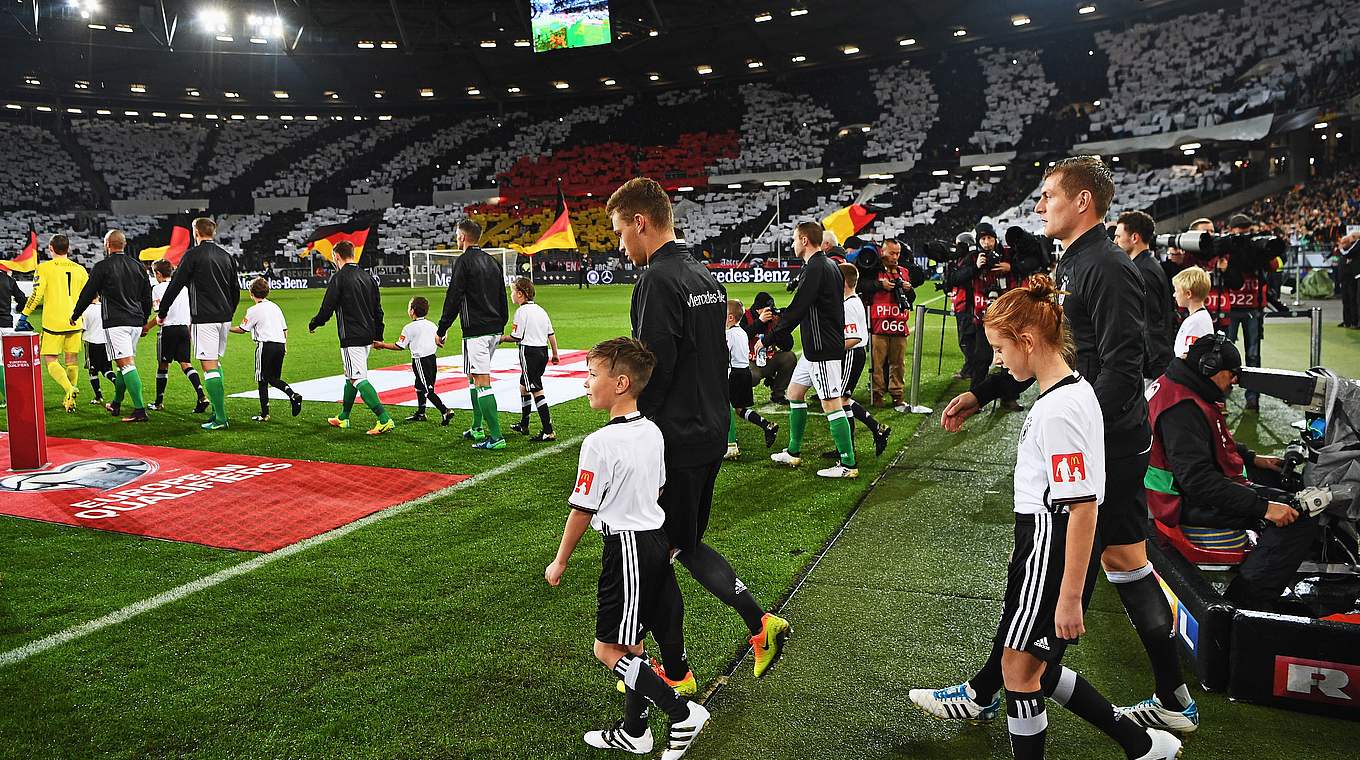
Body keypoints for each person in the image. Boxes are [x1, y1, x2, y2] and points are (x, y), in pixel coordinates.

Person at [918, 157, 1198, 734]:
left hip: (1104, 444)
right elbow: (1057, 355)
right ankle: (1172, 698)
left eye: (1048, 196)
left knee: (1045, 579)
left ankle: (994, 686)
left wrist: (1076, 424)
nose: (1040, 205)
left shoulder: (1108, 267)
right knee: (1126, 563)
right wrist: (986, 390)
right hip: (1104, 437)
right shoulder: (1076, 262)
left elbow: (1129, 364)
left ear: (1083, 204)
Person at [945, 277, 1183, 760]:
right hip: (1041, 544)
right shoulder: (1071, 392)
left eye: (999, 348)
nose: (997, 360)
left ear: (1028, 342)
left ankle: (1137, 745)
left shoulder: (1060, 410)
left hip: (1047, 547)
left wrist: (1071, 597)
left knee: (1019, 672)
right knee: (1035, 664)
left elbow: (1082, 507)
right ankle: (1137, 743)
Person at [609, 176, 790, 680]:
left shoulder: (657, 280)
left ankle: (675, 672)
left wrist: (631, 428)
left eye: (622, 232)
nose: (622, 246)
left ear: (641, 223)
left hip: (673, 439)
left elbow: (654, 368)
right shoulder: (706, 276)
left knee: (652, 555)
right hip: (709, 430)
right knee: (682, 544)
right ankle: (759, 625)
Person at [545, 337, 710, 759]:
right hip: (656, 542)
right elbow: (656, 488)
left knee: (608, 648)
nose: (585, 383)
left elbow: (583, 509)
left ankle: (680, 713)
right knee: (633, 643)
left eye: (592, 375)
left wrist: (560, 559)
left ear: (620, 383)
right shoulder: (652, 431)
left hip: (627, 549)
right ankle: (635, 731)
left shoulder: (599, 444)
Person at [1145, 336, 1319, 612]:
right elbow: (1199, 482)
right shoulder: (1183, 409)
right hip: (1181, 502)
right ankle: (1247, 603)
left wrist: (1253, 459)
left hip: (1179, 492)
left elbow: (1207, 441)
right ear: (1209, 367)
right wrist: (1265, 508)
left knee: (1281, 488)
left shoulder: (1179, 387)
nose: (1235, 381)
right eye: (1232, 374)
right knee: (1299, 515)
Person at [759, 222, 857, 479]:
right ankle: (793, 451)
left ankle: (847, 464)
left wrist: (768, 339)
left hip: (822, 348)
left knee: (830, 403)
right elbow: (810, 306)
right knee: (794, 392)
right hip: (816, 348)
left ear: (804, 240)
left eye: (794, 239)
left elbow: (800, 307)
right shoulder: (827, 266)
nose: (792, 244)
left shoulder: (815, 268)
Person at [155, 218, 241, 430]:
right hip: (224, 317)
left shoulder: (192, 255)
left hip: (205, 318)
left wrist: (162, 312)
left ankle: (220, 418)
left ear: (196, 233)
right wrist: (229, 312)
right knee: (215, 364)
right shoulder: (226, 256)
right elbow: (236, 290)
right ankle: (216, 412)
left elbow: (174, 286)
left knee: (208, 366)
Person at [435, 219, 509, 450]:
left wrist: (442, 328)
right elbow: (502, 296)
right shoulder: (492, 262)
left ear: (463, 237)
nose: (456, 239)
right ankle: (477, 427)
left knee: (482, 382)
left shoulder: (464, 262)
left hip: (476, 332)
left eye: (457, 235)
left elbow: (454, 297)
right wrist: (500, 324)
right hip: (493, 329)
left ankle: (496, 437)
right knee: (473, 379)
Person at [308, 240, 394, 435]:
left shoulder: (339, 278)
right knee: (350, 376)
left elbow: (327, 309)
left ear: (336, 256)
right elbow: (378, 311)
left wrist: (314, 323)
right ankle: (344, 417)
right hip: (367, 336)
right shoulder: (368, 278)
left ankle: (384, 418)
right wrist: (378, 335)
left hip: (351, 337)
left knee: (357, 377)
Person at [70, 230, 153, 423]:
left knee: (126, 365)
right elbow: (146, 296)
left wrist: (75, 314)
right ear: (123, 244)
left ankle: (140, 410)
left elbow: (87, 293)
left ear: (108, 244)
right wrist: (144, 320)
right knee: (122, 364)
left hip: (117, 323)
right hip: (135, 322)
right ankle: (116, 403)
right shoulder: (138, 266)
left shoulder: (102, 266)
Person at [20, 234, 88, 412]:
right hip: (75, 321)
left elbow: (36, 294)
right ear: (68, 249)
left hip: (54, 322)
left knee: (51, 359)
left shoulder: (44, 268)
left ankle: (69, 389)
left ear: (50, 248)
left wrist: (24, 315)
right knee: (71, 359)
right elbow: (87, 296)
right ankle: (70, 401)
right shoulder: (80, 269)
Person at [832, 263, 891, 458]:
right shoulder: (852, 301)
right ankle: (854, 442)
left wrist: (831, 350)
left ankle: (854, 443)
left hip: (851, 354)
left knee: (839, 400)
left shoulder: (849, 305)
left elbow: (854, 337)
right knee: (844, 399)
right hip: (853, 354)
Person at [1217, 213, 1273, 411]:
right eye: (1239, 233)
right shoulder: (1225, 248)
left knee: (1253, 355)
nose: (1243, 238)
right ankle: (1222, 394)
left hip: (1252, 306)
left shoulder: (1259, 247)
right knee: (1225, 354)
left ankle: (1252, 397)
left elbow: (1274, 266)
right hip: (1230, 307)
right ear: (1232, 231)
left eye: (1247, 233)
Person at [966, 223, 1025, 412]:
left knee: (1010, 359)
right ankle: (975, 398)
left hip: (1006, 316)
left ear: (995, 238)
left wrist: (1011, 267)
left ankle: (1009, 398)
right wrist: (974, 268)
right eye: (982, 239)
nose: (986, 242)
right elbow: (955, 278)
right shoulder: (972, 257)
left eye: (989, 238)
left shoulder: (1007, 253)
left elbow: (1029, 264)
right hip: (983, 317)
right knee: (981, 358)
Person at [230, 277, 302, 423]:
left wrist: (225, 329)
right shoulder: (275, 307)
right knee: (273, 378)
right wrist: (285, 345)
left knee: (262, 379)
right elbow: (284, 329)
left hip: (265, 346)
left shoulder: (253, 310)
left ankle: (265, 414)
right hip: (280, 344)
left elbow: (242, 329)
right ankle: (293, 395)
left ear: (251, 293)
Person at [374, 296, 454, 426]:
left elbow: (400, 346)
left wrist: (382, 345)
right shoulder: (431, 324)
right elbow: (442, 338)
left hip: (420, 361)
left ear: (412, 311)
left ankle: (445, 411)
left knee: (427, 390)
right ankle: (421, 413)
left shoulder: (409, 327)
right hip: (432, 359)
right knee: (419, 385)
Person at [1114, 211, 1173, 381]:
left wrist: (1151, 364)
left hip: (1151, 363)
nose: (1115, 242)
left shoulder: (1143, 271)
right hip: (1153, 358)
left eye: (1118, 236)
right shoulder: (1146, 265)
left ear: (1134, 238)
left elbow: (1150, 322)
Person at [500, 277, 559, 442]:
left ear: (520, 294)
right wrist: (555, 353)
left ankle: (548, 430)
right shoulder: (541, 310)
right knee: (523, 387)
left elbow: (516, 336)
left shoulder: (521, 312)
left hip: (529, 353)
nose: (511, 295)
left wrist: (502, 339)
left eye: (512, 291)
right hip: (542, 352)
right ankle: (524, 424)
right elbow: (550, 334)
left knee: (536, 389)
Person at [858, 238, 913, 410]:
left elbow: (911, 299)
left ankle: (898, 395)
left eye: (898, 253)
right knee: (877, 364)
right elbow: (860, 285)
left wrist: (908, 289)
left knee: (898, 363)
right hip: (878, 325)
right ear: (882, 252)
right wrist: (879, 284)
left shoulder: (904, 271)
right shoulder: (873, 269)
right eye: (892, 253)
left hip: (899, 324)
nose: (895, 257)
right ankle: (877, 394)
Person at [148, 258, 209, 414]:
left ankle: (158, 402)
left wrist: (146, 327)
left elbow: (160, 313)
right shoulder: (183, 288)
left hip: (168, 330)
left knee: (163, 365)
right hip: (184, 329)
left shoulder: (157, 288)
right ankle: (201, 395)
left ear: (158, 273)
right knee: (186, 364)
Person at [724, 298, 778, 460]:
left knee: (725, 406)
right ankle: (766, 425)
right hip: (745, 373)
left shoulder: (729, 334)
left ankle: (730, 444)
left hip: (733, 374)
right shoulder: (741, 332)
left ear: (731, 317)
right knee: (740, 409)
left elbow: (724, 355)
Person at [740, 292, 796, 404]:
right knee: (753, 376)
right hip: (749, 362)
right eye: (767, 310)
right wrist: (760, 322)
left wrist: (778, 327)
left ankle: (778, 395)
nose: (769, 313)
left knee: (789, 357)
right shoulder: (744, 316)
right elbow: (741, 337)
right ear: (757, 309)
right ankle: (740, 396)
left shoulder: (773, 320)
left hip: (768, 360)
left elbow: (788, 345)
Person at [0, 262, 27, 408]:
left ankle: (7, 397)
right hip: (6, 324)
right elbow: (22, 299)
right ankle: (15, 394)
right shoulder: (9, 280)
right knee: (8, 361)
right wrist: (18, 308)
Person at [1171, 266, 1213, 359]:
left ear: (1188, 294)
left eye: (1176, 291)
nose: (1174, 295)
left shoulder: (1196, 322)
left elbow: (1189, 357)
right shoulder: (1197, 318)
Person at [80, 298, 115, 407]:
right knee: (107, 369)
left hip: (92, 343)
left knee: (92, 370)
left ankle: (98, 396)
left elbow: (83, 327)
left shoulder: (86, 310)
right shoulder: (106, 308)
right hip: (106, 342)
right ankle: (116, 381)